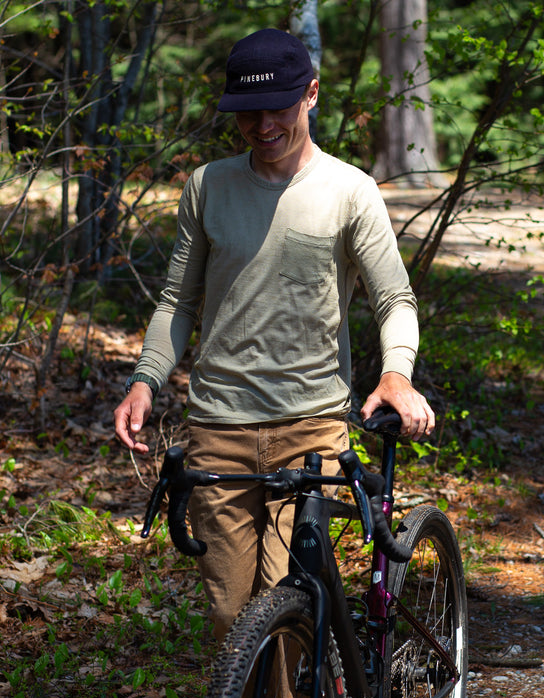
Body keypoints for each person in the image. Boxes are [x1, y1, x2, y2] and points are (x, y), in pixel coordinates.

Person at [113, 28, 435, 642]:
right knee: (231, 620)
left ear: (311, 94)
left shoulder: (350, 190)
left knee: (286, 611)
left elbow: (394, 296)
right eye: (248, 112)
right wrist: (144, 380)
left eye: (279, 108)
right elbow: (179, 301)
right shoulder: (208, 186)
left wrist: (396, 372)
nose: (263, 125)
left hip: (310, 429)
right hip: (218, 430)